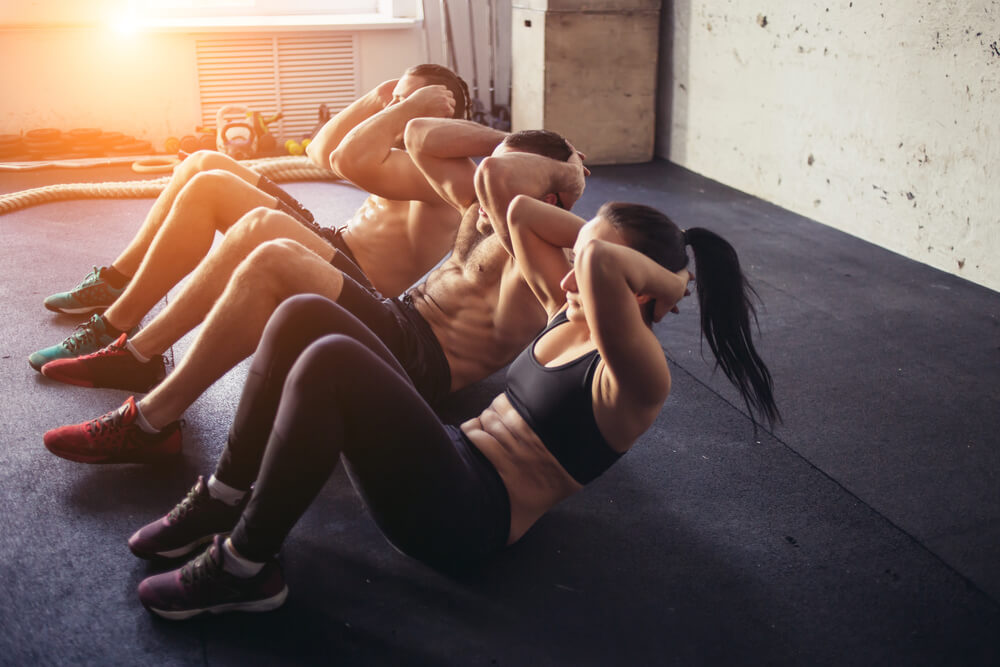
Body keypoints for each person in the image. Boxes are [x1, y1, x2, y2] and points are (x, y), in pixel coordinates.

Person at [127, 192, 779, 619]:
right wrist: (612, 254)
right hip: (449, 457)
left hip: (466, 519)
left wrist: (670, 280)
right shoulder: (565, 312)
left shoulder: (638, 379)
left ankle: (245, 566)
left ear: (634, 289)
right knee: (304, 313)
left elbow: (603, 265)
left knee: (331, 361)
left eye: (582, 263)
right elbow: (520, 208)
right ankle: (226, 489)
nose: (564, 274)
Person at [41, 121, 588, 464]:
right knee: (262, 231)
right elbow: (422, 135)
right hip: (395, 320)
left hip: (420, 366)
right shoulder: (483, 210)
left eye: (522, 168)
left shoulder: (545, 254)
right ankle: (138, 357)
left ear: (549, 191)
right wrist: (513, 140)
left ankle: (149, 421)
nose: (496, 171)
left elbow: (497, 178)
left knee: (275, 251)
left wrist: (565, 171)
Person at [29, 64, 470, 372]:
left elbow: (347, 159)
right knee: (204, 162)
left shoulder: (440, 172)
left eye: (408, 102)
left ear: (443, 111)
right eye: (397, 100)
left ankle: (113, 327)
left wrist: (403, 107)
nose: (395, 108)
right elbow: (320, 151)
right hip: (331, 241)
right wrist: (380, 98)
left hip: (353, 279)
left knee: (211, 190)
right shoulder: (403, 150)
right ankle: (118, 280)